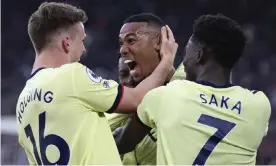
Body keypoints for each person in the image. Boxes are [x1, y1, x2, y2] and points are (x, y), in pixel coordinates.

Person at [16, 2, 178, 165]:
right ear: (67, 43)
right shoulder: (70, 75)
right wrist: (167, 60)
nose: (84, 50)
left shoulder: (23, 103)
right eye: (82, 41)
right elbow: (137, 99)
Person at [115, 14, 271, 165]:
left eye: (186, 51)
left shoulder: (166, 96)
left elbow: (121, 143)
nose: (184, 58)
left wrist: (166, 61)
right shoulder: (259, 105)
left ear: (199, 55)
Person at [106, 13, 186, 165]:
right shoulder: (110, 111)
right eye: (121, 43)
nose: (123, 50)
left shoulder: (190, 87)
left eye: (131, 40)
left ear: (159, 42)